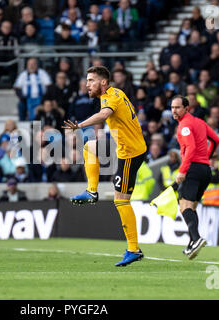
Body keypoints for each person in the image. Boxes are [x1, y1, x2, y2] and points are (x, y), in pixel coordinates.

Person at [62, 66, 147, 267]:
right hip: (124, 146)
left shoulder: (111, 98)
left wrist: (80, 126)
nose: (87, 84)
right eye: (87, 80)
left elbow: (103, 115)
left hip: (130, 153)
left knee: (121, 201)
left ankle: (133, 249)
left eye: (91, 80)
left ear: (103, 82)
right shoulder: (115, 93)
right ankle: (91, 191)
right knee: (90, 146)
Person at [171, 95, 219, 259]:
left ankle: (197, 238)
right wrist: (205, 158)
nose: (174, 110)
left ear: (186, 108)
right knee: (191, 207)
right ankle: (192, 242)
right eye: (172, 107)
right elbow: (215, 140)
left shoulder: (184, 125)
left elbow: (191, 148)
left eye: (178, 107)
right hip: (205, 170)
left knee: (184, 206)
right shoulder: (200, 122)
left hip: (192, 169)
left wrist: (183, 170)